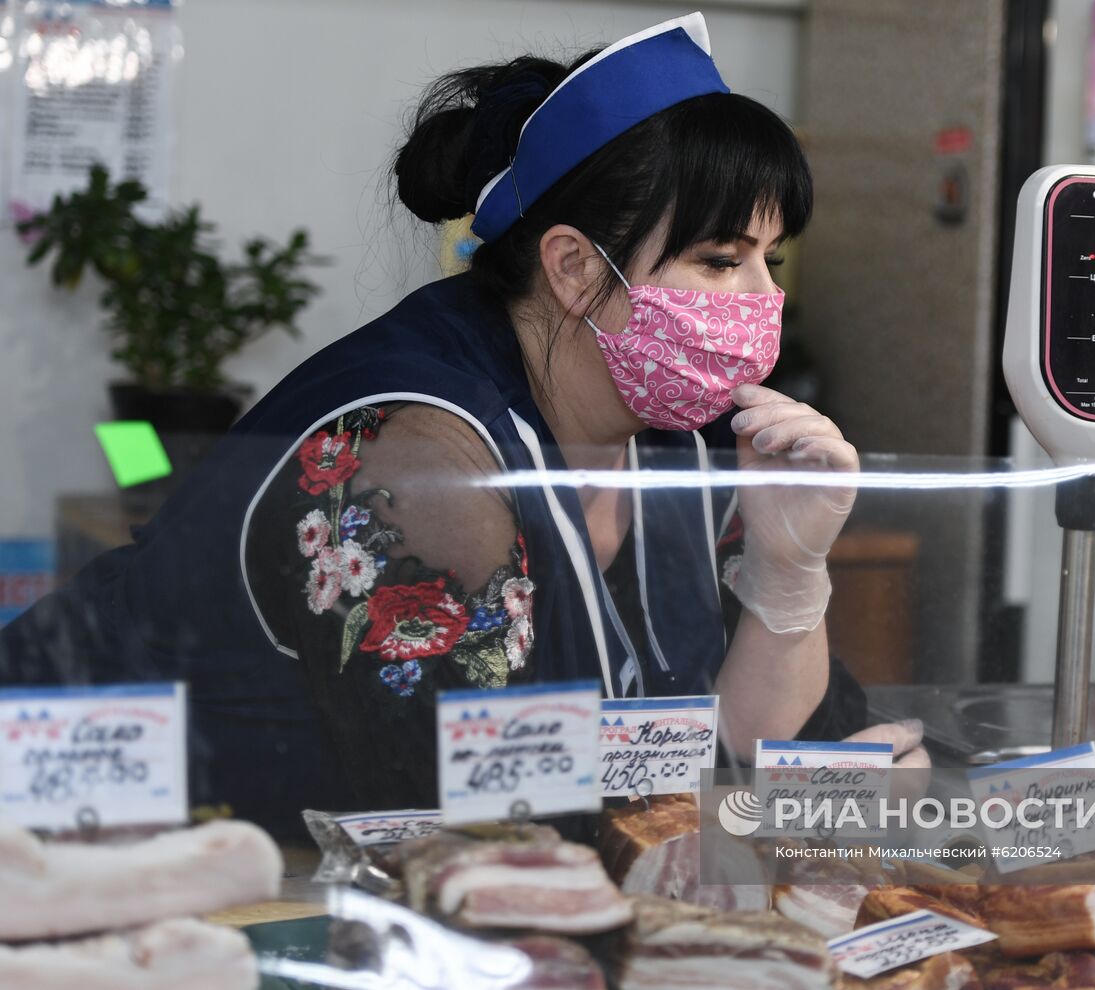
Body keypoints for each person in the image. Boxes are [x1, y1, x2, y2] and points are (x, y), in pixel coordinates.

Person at [0, 13, 926, 834]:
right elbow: (490, 821)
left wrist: (789, 572)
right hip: (79, 842)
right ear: (571, 267)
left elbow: (763, 740)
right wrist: (797, 809)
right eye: (721, 260)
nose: (765, 299)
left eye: (771, 258)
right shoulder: (421, 464)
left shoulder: (675, 431)